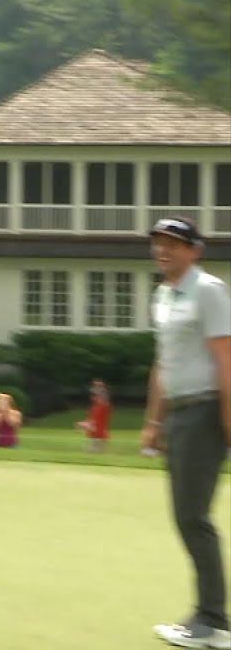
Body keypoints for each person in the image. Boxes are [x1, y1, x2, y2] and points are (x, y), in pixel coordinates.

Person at [143, 216, 231, 649]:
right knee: (187, 516)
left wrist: (229, 417)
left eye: (174, 243)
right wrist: (153, 421)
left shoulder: (209, 290)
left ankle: (213, 621)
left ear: (194, 250)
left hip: (204, 409)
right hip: (178, 414)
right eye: (159, 242)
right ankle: (210, 617)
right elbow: (163, 364)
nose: (164, 250)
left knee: (193, 517)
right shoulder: (161, 295)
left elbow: (225, 357)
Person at [75, 379, 112, 453]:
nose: (92, 397)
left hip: (99, 437)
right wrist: (84, 424)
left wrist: (100, 388)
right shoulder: (95, 407)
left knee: (93, 453)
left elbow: (94, 423)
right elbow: (92, 421)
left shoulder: (103, 406)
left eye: (94, 395)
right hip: (95, 437)